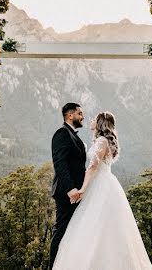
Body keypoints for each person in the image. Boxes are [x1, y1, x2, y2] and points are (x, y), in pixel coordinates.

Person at [51, 111, 152, 270]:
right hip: (107, 184)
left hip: (98, 185)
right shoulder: (105, 141)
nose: (90, 120)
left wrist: (82, 190)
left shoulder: (101, 141)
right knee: (106, 227)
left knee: (92, 226)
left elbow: (92, 167)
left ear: (100, 123)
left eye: (94, 119)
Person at [49, 102, 86, 267]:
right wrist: (71, 189)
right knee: (61, 232)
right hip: (67, 193)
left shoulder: (73, 135)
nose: (82, 116)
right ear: (70, 115)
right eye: (80, 113)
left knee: (74, 232)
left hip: (77, 193)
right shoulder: (62, 133)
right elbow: (60, 163)